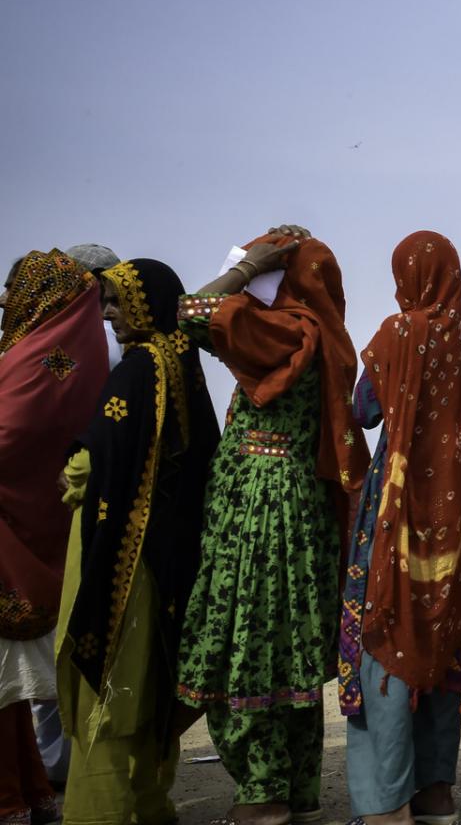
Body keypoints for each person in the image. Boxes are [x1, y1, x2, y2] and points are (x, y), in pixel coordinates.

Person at [174, 226, 370, 825]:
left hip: (260, 511)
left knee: (247, 640)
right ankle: (296, 791)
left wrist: (241, 271)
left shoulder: (289, 330)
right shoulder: (325, 335)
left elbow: (190, 313)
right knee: (287, 647)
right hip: (297, 506)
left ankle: (262, 796)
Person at [341, 232, 461, 825]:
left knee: (385, 631)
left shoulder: (397, 333)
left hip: (397, 510)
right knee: (441, 637)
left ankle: (386, 806)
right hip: (452, 518)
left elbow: (365, 410)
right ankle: (435, 795)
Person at [56, 259, 218, 825]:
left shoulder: (136, 369)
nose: (107, 316)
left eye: (117, 303)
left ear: (146, 304)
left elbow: (89, 464)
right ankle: (149, 804)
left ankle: (97, 813)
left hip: (118, 553)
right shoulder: (180, 363)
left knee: (107, 684)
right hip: (163, 558)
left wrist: (72, 471)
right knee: (149, 680)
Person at [1, 251, 109, 825]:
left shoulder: (29, 356)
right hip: (54, 531)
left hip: (10, 540)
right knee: (13, 688)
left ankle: (13, 799)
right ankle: (32, 792)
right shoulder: (84, 353)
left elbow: (8, 434)